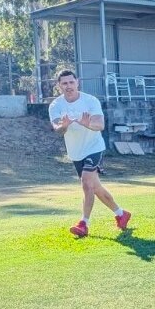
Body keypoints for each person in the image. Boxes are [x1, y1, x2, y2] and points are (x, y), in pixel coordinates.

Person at [49, 70, 131, 237]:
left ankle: (83, 224)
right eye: (64, 83)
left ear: (77, 82)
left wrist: (87, 124)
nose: (68, 86)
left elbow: (100, 125)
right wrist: (64, 126)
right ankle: (121, 214)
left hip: (94, 148)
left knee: (87, 183)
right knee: (95, 187)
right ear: (59, 86)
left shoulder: (90, 100)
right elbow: (57, 130)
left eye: (71, 82)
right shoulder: (56, 105)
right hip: (76, 152)